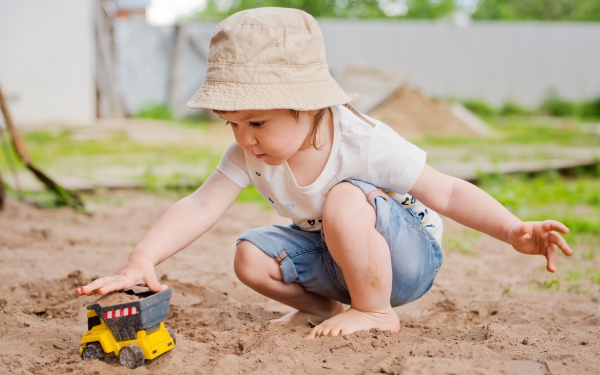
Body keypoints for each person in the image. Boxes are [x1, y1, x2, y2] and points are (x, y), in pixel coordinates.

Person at [77, 7, 573, 339]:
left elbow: (443, 189)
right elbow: (200, 205)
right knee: (249, 255)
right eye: (232, 124)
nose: (243, 139)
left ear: (310, 107)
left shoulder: (362, 140)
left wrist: (512, 229)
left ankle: (376, 311)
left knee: (343, 198)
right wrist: (143, 257)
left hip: (403, 258)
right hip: (333, 259)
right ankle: (325, 307)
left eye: (257, 122)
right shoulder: (249, 153)